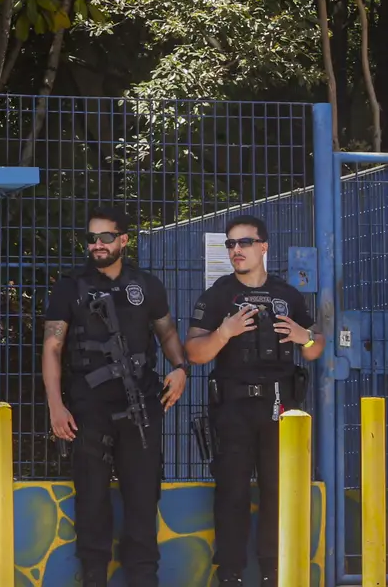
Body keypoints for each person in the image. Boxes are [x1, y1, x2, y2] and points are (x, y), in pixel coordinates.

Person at [41, 207, 188, 587]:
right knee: (91, 499)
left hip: (141, 404)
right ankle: (94, 576)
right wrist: (56, 406)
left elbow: (167, 332)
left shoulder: (146, 285)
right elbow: (52, 347)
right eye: (92, 238)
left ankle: (143, 577)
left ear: (124, 239)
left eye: (106, 237)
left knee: (142, 498)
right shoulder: (70, 286)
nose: (97, 244)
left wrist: (181, 367)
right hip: (88, 408)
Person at [185, 215, 323, 587]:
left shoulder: (288, 294)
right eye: (230, 244)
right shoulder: (218, 293)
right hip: (232, 409)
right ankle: (229, 573)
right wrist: (224, 333)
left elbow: (315, 348)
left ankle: (273, 572)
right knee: (231, 491)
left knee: (279, 491)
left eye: (244, 243)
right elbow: (194, 352)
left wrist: (304, 337)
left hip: (279, 407)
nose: (236, 251)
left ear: (263, 246)